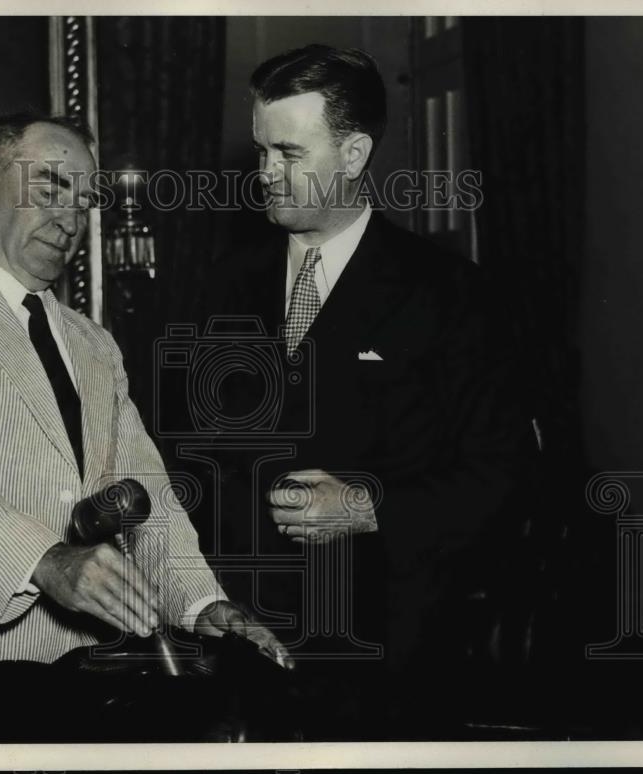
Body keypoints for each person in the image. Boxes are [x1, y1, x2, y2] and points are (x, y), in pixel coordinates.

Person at [0, 112, 286, 744]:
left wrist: (199, 602)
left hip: (79, 707)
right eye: (50, 188)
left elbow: (145, 495)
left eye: (83, 201)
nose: (71, 220)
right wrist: (44, 561)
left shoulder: (93, 345)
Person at [202, 45, 537, 738]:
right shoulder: (222, 283)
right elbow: (192, 453)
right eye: (263, 151)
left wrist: (365, 506)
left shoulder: (451, 296)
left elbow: (502, 479)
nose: (265, 175)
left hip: (393, 667)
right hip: (243, 659)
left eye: (289, 154)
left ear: (353, 154)